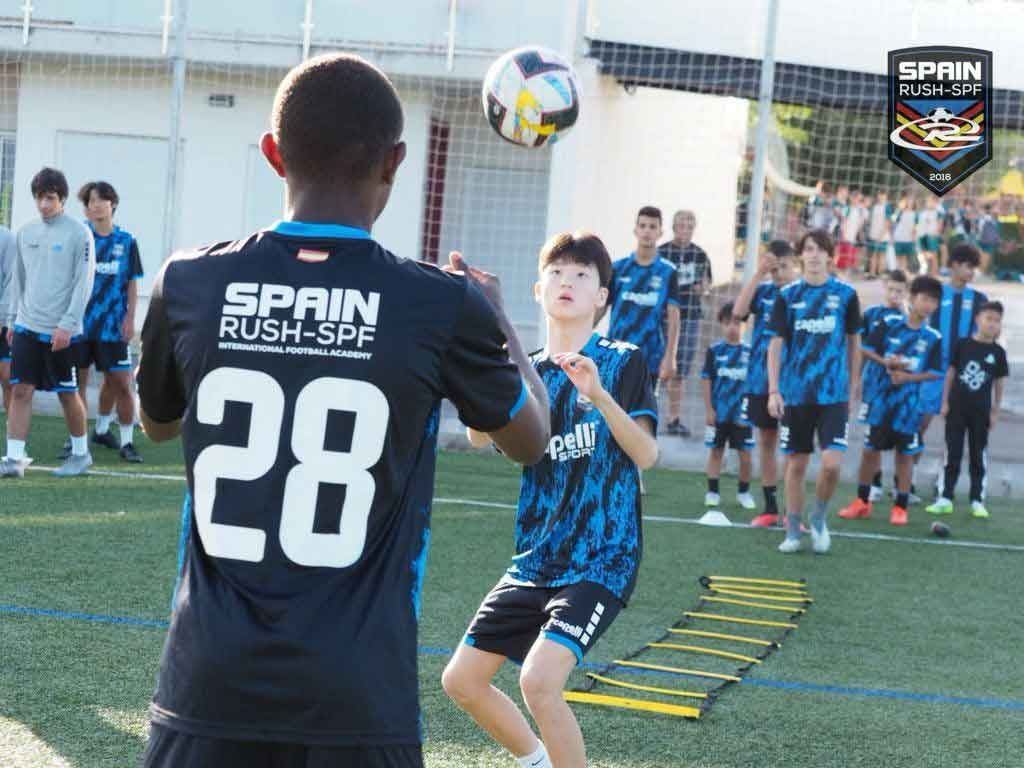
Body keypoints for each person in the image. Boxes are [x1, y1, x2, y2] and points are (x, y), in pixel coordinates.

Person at [135, 53, 550, 768]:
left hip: (207, 682)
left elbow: (158, 422)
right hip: (358, 695)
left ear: (273, 153)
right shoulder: (439, 305)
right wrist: (502, 320)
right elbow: (530, 441)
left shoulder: (190, 279)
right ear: (395, 162)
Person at [443, 232, 657, 768]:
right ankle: (537, 761)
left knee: (538, 681)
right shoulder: (525, 371)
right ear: (539, 289)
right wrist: (482, 348)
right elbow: (477, 437)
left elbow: (647, 454)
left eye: (583, 274)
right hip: (536, 559)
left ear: (602, 298)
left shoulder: (622, 360)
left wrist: (599, 396)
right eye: (558, 272)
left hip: (602, 558)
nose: (568, 281)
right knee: (462, 681)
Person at [767, 230, 861, 554]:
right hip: (796, 395)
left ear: (830, 257)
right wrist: (773, 390)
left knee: (832, 464)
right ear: (801, 256)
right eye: (809, 249)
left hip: (834, 395)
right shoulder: (787, 295)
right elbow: (775, 345)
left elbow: (854, 343)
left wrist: (854, 387)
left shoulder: (847, 295)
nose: (815, 255)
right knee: (795, 465)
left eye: (822, 249)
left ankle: (819, 518)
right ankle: (793, 529)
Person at [0, 168, 95, 478]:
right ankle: (14, 459)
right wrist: (13, 320)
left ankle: (81, 455)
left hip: (62, 331)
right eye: (40, 198)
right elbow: (19, 280)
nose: (44, 205)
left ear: (63, 199)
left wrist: (68, 324)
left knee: (67, 393)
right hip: (27, 326)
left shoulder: (79, 234)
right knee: (20, 391)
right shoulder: (25, 233)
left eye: (50, 198)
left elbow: (84, 283)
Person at [839, 275, 943, 526]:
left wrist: (909, 378)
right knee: (870, 451)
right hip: (881, 401)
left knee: (904, 455)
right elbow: (865, 348)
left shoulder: (933, 337)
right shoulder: (889, 323)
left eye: (934, 301)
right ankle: (862, 501)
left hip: (908, 407)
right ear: (912, 297)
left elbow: (935, 372)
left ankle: (900, 506)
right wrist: (885, 362)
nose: (929, 305)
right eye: (925, 298)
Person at [62, 181, 145, 463]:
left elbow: (132, 284)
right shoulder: (81, 239)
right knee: (77, 386)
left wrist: (130, 319)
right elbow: (69, 282)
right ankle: (77, 441)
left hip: (113, 327)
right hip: (81, 326)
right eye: (89, 202)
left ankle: (126, 442)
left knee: (121, 383)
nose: (94, 205)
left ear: (112, 203)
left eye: (100, 200)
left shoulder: (127, 241)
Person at [732, 239, 799, 526]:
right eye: (774, 268)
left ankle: (792, 512)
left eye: (783, 267)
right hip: (761, 380)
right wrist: (758, 274)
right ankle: (771, 508)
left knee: (795, 449)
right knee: (767, 442)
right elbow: (737, 312)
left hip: (795, 382)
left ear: (794, 265)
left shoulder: (801, 294)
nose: (778, 273)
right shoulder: (764, 292)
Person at [927, 301, 1008, 519]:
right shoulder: (963, 345)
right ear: (977, 320)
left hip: (981, 411)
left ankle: (977, 500)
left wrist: (995, 411)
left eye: (997, 320)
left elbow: (999, 383)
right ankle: (945, 497)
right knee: (952, 452)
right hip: (957, 408)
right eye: (988, 318)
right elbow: (951, 374)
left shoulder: (998, 353)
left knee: (977, 455)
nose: (992, 324)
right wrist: (944, 402)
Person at [919, 243, 987, 492]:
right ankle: (906, 480)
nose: (971, 272)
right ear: (955, 265)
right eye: (968, 266)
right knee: (920, 425)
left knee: (954, 432)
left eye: (974, 268)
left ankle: (943, 482)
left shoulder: (979, 300)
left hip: (960, 376)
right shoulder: (934, 294)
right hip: (932, 372)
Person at [607, 206, 681, 392]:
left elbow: (674, 317)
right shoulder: (618, 268)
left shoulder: (668, 272)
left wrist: (670, 356)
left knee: (643, 415)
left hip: (650, 355)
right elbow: (599, 308)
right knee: (612, 412)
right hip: (616, 352)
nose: (647, 231)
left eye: (652, 227)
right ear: (635, 230)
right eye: (643, 226)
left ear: (660, 232)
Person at [855, 269, 908, 501]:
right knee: (872, 435)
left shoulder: (909, 318)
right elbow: (861, 350)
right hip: (874, 385)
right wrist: (855, 380)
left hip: (900, 387)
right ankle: (874, 483)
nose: (895, 294)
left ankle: (902, 485)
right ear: (885, 288)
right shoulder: (872, 313)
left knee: (900, 434)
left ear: (906, 293)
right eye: (892, 289)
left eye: (900, 291)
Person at [658, 209, 711, 437]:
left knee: (679, 370)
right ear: (674, 227)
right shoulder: (662, 252)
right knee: (655, 366)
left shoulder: (699, 254)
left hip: (689, 316)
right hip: (662, 317)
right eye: (681, 226)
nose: (685, 231)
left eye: (690, 227)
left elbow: (707, 283)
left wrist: (703, 288)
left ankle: (674, 418)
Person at [702, 301, 755, 511]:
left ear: (745, 325)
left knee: (745, 455)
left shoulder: (751, 352)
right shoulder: (714, 351)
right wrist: (709, 409)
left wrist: (751, 410)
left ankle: (744, 492)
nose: (732, 327)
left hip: (743, 415)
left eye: (737, 323)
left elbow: (754, 384)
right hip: (719, 413)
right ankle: (712, 492)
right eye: (727, 323)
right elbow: (706, 380)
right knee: (716, 451)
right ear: (721, 325)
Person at [0, 224, 16, 412]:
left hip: (4, 322)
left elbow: (12, 281)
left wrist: (2, 318)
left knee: (8, 378)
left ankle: (12, 438)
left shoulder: (7, 238)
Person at [865, 191, 893, 278]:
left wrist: (882, 235)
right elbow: (870, 220)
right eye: (880, 195)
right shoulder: (874, 207)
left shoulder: (887, 207)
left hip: (882, 236)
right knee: (873, 254)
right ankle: (872, 273)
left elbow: (888, 223)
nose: (881, 197)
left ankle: (880, 273)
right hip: (873, 234)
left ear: (886, 196)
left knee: (881, 255)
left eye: (883, 196)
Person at [917, 196, 945, 275]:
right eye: (928, 201)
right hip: (922, 236)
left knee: (934, 256)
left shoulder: (938, 213)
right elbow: (919, 224)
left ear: (935, 203)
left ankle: (934, 274)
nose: (930, 203)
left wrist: (936, 233)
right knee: (925, 255)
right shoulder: (923, 213)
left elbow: (940, 225)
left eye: (932, 202)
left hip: (932, 236)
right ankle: (926, 273)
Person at [891, 194, 918, 273]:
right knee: (898, 256)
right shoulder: (900, 212)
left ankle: (904, 272)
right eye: (908, 201)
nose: (909, 203)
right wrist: (892, 236)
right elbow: (894, 224)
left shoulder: (915, 214)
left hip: (908, 239)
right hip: (899, 237)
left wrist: (914, 237)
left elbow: (915, 227)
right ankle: (899, 271)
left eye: (911, 201)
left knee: (905, 257)